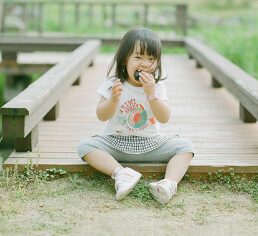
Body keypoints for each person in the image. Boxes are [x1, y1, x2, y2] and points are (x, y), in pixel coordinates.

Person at [77, 27, 194, 204]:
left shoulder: (157, 87)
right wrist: (113, 101)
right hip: (115, 143)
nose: (145, 64)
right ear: (125, 60)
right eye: (138, 57)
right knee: (85, 146)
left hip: (150, 143)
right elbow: (101, 115)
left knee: (185, 147)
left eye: (151, 58)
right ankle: (121, 174)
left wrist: (152, 95)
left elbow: (164, 118)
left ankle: (168, 184)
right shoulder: (113, 84)